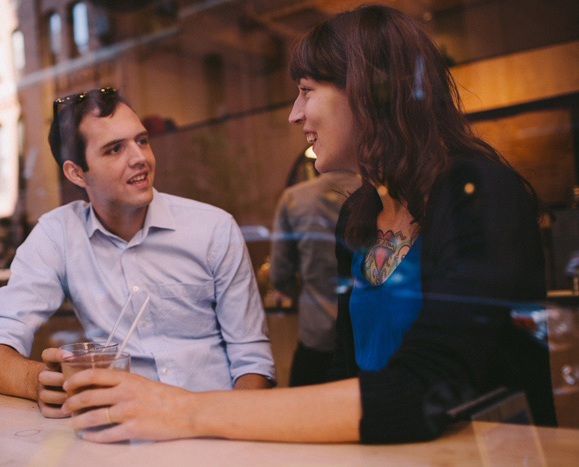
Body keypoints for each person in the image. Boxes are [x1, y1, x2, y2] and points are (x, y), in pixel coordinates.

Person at [59, 5, 557, 443]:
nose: (295, 114)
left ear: (367, 92)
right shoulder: (358, 213)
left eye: (306, 91)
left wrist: (186, 409)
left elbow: (426, 391)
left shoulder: (478, 193)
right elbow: (347, 371)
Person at [0, 88, 275, 418]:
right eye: (114, 149)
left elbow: (252, 357)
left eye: (141, 141)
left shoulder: (213, 229)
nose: (140, 158)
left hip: (214, 424)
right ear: (76, 173)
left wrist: (232, 425)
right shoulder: (57, 235)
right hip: (120, 427)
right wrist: (40, 383)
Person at [269, 166, 360, 386]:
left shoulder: (294, 198)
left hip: (317, 332)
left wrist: (294, 286)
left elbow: (280, 273)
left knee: (301, 413)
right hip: (365, 330)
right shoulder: (377, 193)